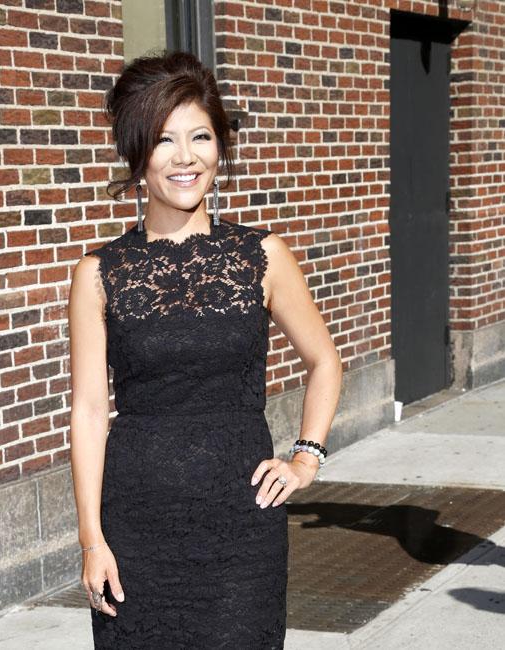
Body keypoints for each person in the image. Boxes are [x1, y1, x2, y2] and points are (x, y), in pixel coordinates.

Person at [68, 49, 342, 649]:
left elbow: (324, 361)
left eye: (200, 137)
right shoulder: (98, 274)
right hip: (136, 528)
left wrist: (306, 458)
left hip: (242, 527)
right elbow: (88, 412)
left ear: (220, 147)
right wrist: (92, 540)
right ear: (137, 154)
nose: (185, 157)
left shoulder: (263, 257)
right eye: (164, 140)